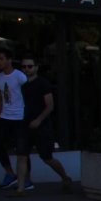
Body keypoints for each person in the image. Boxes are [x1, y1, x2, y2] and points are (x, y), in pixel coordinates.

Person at [16, 58, 74, 193]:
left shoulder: (43, 83)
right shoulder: (20, 84)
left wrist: (39, 120)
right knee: (21, 155)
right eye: (23, 66)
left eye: (30, 66)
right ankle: (20, 188)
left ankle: (65, 177)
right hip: (24, 124)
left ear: (36, 67)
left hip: (42, 126)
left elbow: (50, 106)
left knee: (47, 157)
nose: (26, 69)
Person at [0, 48, 26, 191]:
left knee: (22, 148)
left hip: (19, 116)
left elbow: (27, 95)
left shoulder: (19, 76)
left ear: (9, 60)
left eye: (1, 58)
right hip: (5, 116)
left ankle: (25, 179)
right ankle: (9, 173)